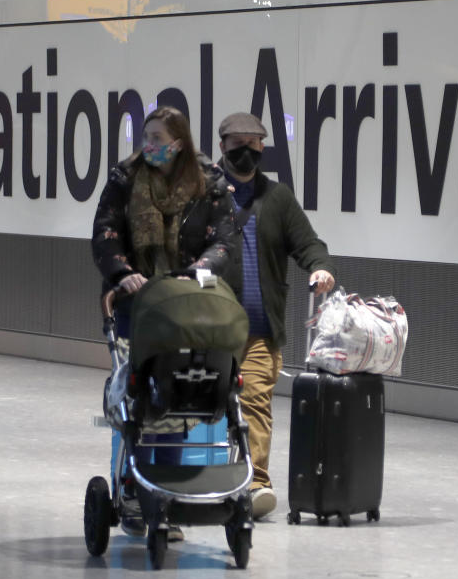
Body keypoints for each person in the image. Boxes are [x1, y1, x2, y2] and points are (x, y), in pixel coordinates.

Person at [91, 105, 241, 540]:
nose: (150, 146)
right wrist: (122, 273)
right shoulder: (124, 179)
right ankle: (133, 491)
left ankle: (167, 492)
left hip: (187, 305)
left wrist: (202, 268)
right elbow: (105, 233)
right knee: (139, 397)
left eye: (159, 138)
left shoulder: (209, 182)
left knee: (179, 396)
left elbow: (225, 239)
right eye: (147, 136)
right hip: (137, 305)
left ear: (180, 143)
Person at [216, 112, 336, 520]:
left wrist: (319, 267)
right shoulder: (203, 193)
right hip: (207, 329)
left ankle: (255, 482)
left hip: (260, 330)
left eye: (254, 144)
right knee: (197, 402)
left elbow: (308, 242)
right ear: (223, 147)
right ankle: (196, 477)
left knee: (254, 404)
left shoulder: (278, 197)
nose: (247, 152)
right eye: (238, 144)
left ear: (264, 147)